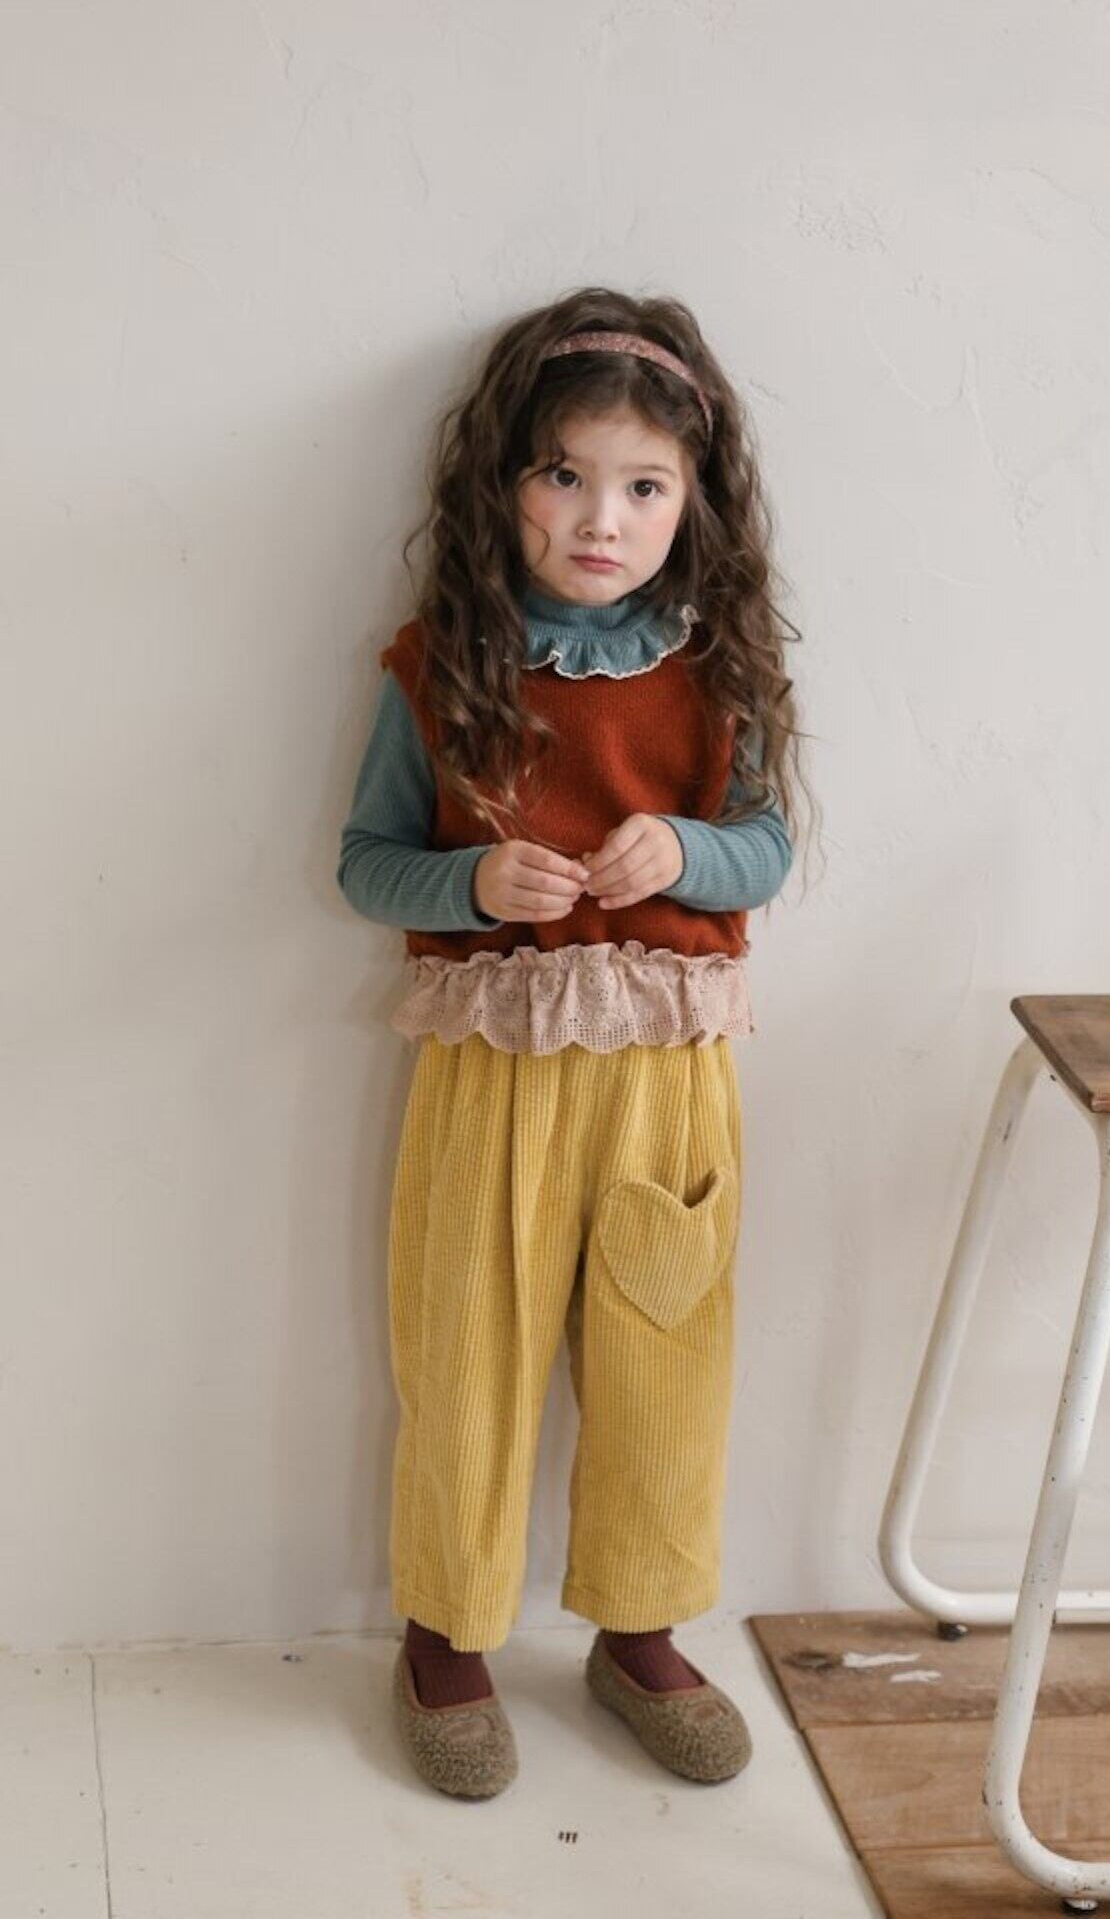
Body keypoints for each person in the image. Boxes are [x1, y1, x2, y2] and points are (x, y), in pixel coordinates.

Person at [336, 288, 813, 1800]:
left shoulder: (719, 670)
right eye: (564, 474)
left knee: (668, 1361)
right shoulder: (439, 665)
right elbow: (365, 864)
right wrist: (472, 882)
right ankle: (445, 1635)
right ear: (505, 484)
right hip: (493, 1076)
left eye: (644, 485)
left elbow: (767, 847)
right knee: (465, 1351)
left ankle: (640, 1631)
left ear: (694, 498)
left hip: (671, 1083)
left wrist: (687, 852)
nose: (603, 519)